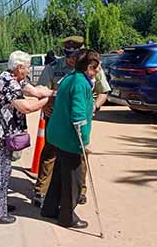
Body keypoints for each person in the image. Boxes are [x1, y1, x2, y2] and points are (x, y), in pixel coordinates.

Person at [33, 36, 111, 206]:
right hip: (56, 118)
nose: (70, 60)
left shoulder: (92, 68)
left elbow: (103, 91)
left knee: (79, 157)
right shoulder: (54, 68)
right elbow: (40, 90)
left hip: (78, 120)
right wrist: (44, 106)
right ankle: (41, 191)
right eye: (68, 55)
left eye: (74, 56)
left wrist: (94, 107)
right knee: (50, 153)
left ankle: (79, 191)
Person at [0, 50, 53, 224]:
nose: (29, 70)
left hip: (1, 133)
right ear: (19, 67)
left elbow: (34, 91)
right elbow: (26, 107)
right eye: (27, 67)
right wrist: (46, 102)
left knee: (4, 170)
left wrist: (50, 92)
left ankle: (1, 205)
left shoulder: (14, 78)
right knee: (0, 173)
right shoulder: (9, 83)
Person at [40, 49, 101, 229]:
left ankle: (49, 208)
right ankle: (67, 217)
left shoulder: (69, 78)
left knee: (59, 174)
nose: (98, 70)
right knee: (73, 180)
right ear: (89, 67)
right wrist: (85, 141)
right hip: (70, 138)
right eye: (96, 67)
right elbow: (78, 115)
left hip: (57, 134)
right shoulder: (81, 83)